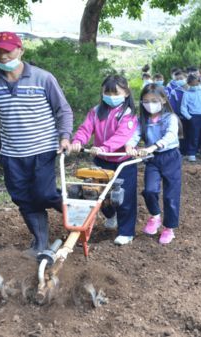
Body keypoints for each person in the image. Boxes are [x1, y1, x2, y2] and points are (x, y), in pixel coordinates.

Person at [0, 32, 73, 256]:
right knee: (22, 197)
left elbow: (63, 109)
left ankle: (79, 215)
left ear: (20, 50)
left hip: (43, 149)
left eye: (7, 50)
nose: (2, 56)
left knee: (45, 194)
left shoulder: (43, 78)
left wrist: (65, 136)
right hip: (12, 153)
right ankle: (40, 243)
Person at [69, 75, 139, 246]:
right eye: (107, 92)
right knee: (96, 192)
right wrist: (78, 141)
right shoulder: (96, 111)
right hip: (101, 161)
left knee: (124, 197)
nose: (111, 96)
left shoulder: (128, 115)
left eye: (116, 93)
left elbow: (121, 137)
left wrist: (104, 147)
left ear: (126, 93)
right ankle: (110, 215)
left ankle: (126, 232)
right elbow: (86, 129)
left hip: (122, 161)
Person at [126, 85, 182, 245]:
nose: (150, 104)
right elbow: (136, 134)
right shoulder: (141, 119)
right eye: (146, 101)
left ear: (163, 100)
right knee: (149, 190)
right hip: (152, 159)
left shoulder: (170, 117)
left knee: (171, 196)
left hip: (170, 157)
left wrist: (154, 146)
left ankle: (169, 228)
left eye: (154, 101)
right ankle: (155, 216)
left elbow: (171, 135)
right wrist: (129, 145)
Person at [180, 74, 201, 161]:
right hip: (194, 117)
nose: (194, 86)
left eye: (195, 83)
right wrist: (189, 117)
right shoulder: (187, 94)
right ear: (189, 84)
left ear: (199, 81)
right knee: (194, 135)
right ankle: (192, 153)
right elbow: (183, 107)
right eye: (191, 84)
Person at [167, 70, 189, 155]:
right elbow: (172, 105)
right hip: (180, 116)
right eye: (177, 79)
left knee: (193, 133)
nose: (179, 80)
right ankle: (183, 151)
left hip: (193, 115)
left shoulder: (192, 89)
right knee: (182, 134)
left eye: (181, 78)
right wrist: (175, 116)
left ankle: (192, 150)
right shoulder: (175, 91)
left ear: (186, 78)